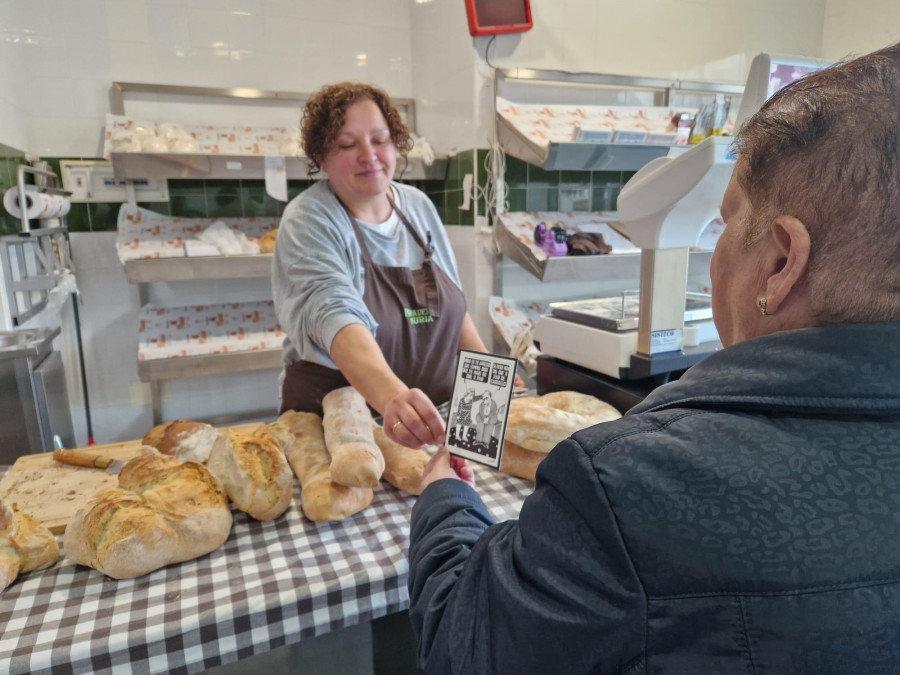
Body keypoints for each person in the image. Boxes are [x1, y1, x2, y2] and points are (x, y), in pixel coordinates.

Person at [407, 42, 900, 674]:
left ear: (780, 263)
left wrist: (445, 502)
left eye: (724, 225)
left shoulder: (625, 488)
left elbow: (464, 642)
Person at [272, 82, 490, 449]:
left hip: (430, 421)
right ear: (321, 157)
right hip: (339, 432)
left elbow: (452, 305)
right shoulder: (309, 219)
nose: (369, 155)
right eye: (347, 144)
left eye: (380, 139)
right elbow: (336, 315)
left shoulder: (417, 206)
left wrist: (488, 380)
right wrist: (392, 397)